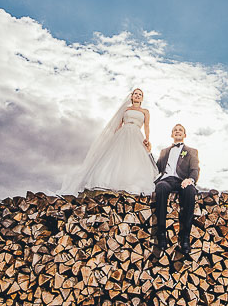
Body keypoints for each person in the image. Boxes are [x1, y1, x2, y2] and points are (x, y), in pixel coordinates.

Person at [61, 89, 159, 195]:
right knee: (117, 155)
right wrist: (114, 137)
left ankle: (130, 182)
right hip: (123, 132)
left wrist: (147, 139)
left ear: (142, 98)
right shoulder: (125, 109)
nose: (138, 96)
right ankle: (107, 182)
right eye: (136, 94)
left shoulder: (145, 111)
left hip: (136, 133)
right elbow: (119, 124)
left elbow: (147, 126)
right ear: (132, 96)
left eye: (140, 94)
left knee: (133, 157)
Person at [151, 124, 200, 257]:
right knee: (160, 187)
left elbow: (195, 169)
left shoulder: (191, 151)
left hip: (182, 181)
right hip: (166, 180)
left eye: (180, 130)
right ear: (172, 135)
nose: (177, 132)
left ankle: (185, 237)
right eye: (175, 130)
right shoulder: (164, 151)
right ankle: (161, 233)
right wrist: (149, 153)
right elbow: (156, 168)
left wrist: (190, 179)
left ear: (184, 135)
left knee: (190, 190)